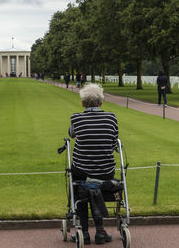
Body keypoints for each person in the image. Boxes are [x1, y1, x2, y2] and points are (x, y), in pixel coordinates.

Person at [68, 83, 118, 245]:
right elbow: (113, 144)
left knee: (80, 190)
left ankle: (83, 232)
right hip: (106, 170)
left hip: (82, 170)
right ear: (101, 103)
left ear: (83, 103)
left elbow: (72, 134)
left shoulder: (76, 118)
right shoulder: (111, 118)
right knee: (96, 185)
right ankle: (100, 230)